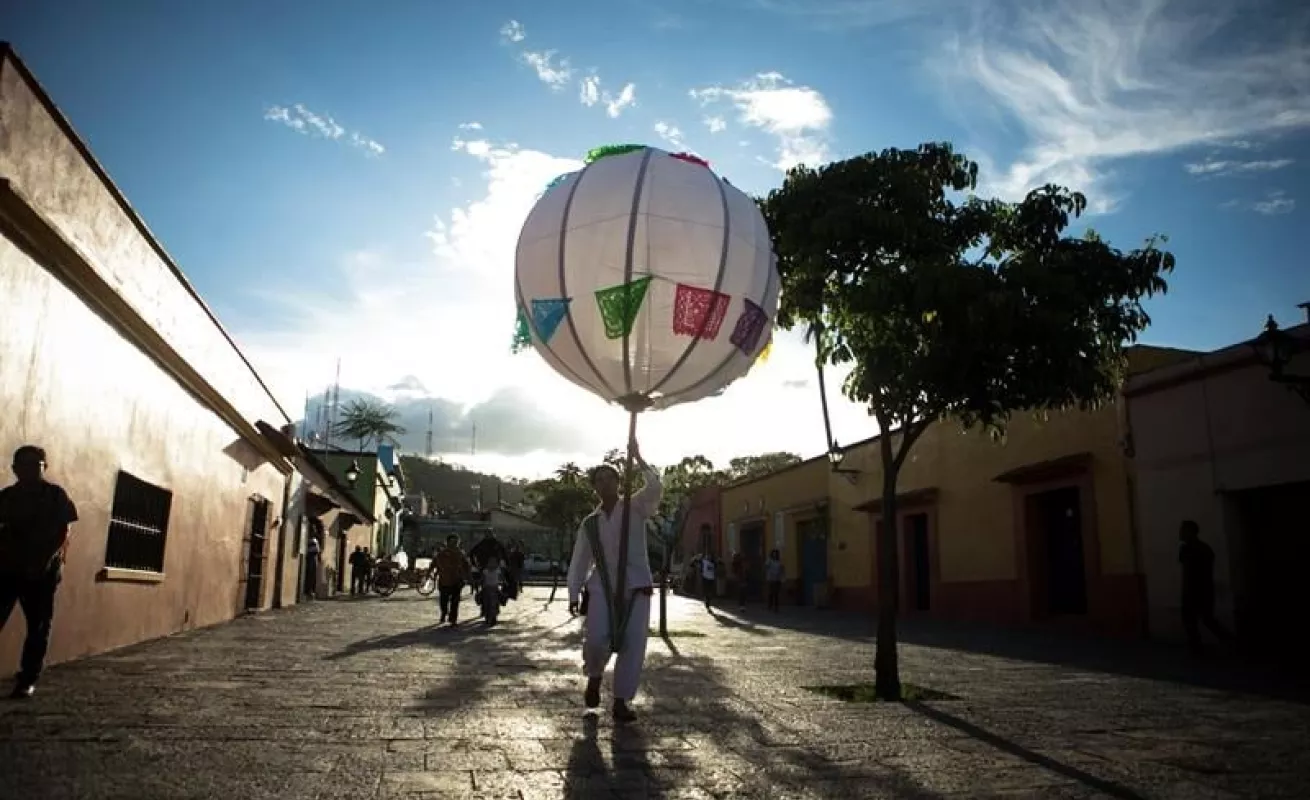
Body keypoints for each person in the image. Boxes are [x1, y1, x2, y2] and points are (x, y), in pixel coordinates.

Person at [567, 443, 662, 722]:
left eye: (610, 478)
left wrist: (639, 458)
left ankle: (621, 700)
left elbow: (655, 487)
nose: (605, 483)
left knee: (633, 645)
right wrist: (574, 593)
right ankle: (594, 675)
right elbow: (580, 560)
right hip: (602, 587)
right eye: (599, 480)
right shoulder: (590, 523)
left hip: (636, 586)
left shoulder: (636, 507)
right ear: (594, 487)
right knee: (596, 639)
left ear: (619, 483)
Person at [0, 445, 79, 699]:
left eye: (35, 464)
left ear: (44, 467)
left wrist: (43, 560)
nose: (29, 470)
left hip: (41, 572)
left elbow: (63, 531)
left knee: (38, 626)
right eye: (23, 465)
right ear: (14, 469)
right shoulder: (6, 497)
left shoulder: (55, 495)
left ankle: (28, 679)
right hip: (8, 568)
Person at [1178, 520, 1232, 654]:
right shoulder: (1190, 548)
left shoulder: (1200, 549)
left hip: (1199, 590)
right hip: (1195, 590)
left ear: (1190, 532)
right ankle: (1197, 647)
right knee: (1196, 620)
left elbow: (1199, 570)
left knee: (1204, 619)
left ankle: (1227, 641)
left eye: (1183, 530)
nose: (1180, 533)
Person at [435, 535, 471, 626]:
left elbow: (466, 565)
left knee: (455, 601)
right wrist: (431, 573)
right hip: (444, 580)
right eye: (452, 542)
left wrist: (467, 576)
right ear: (447, 542)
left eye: (456, 542)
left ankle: (453, 619)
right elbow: (434, 563)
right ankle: (444, 612)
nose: (454, 544)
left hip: (457, 580)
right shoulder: (442, 554)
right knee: (443, 600)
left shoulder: (460, 553)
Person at [480, 556, 505, 626]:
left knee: (494, 604)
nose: (492, 564)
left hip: (495, 588)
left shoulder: (498, 570)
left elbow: (502, 578)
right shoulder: (485, 571)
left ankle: (493, 617)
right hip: (487, 589)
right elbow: (482, 580)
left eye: (493, 562)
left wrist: (503, 582)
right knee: (486, 603)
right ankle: (487, 616)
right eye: (490, 562)